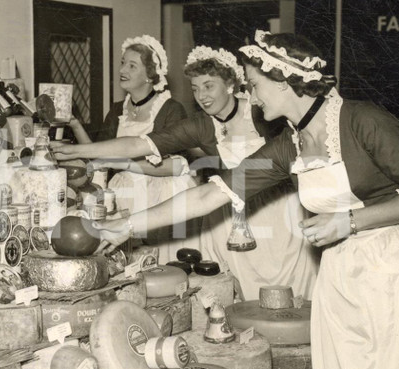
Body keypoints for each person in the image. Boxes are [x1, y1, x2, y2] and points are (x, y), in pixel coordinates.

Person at [91, 30, 399, 369]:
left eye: (255, 85)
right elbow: (212, 196)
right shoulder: (288, 145)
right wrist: (127, 225)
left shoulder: (361, 121)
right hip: (356, 265)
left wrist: (350, 222)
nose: (252, 97)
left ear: (283, 81)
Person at [53, 45, 320, 300]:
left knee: (287, 289)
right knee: (234, 291)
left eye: (208, 86)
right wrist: (80, 152)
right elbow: (141, 143)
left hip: (275, 213)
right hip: (226, 212)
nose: (202, 95)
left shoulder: (262, 113)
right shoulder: (202, 125)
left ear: (230, 85)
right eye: (195, 88)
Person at [66, 35, 199, 264]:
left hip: (161, 194)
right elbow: (97, 154)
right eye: (122, 63)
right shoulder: (118, 110)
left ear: (150, 75)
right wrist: (74, 123)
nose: (123, 69)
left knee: (163, 261)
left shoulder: (170, 109)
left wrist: (119, 163)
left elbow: (177, 166)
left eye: (132, 65)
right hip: (125, 195)